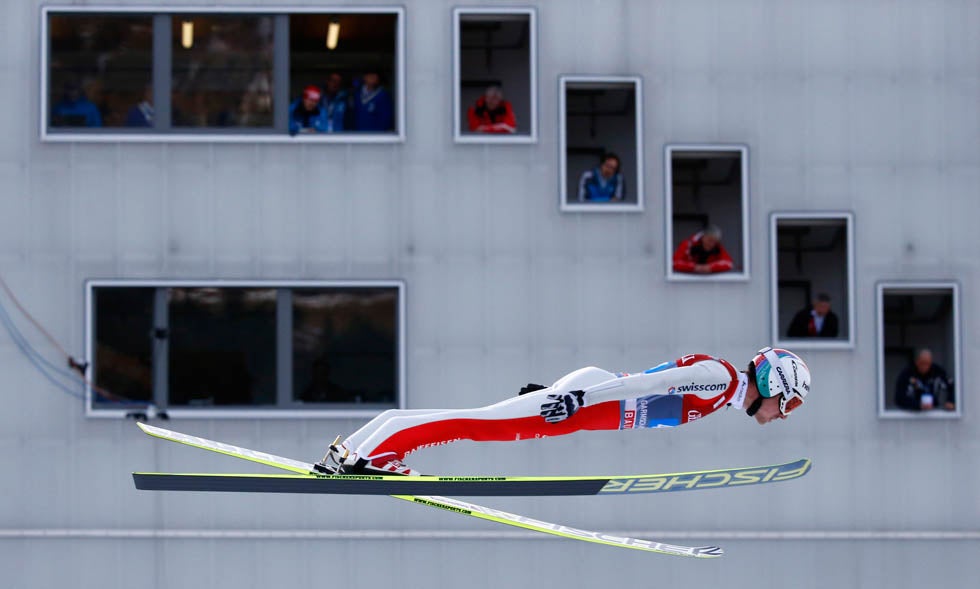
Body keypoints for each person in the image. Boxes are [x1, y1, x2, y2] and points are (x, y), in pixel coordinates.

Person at [314, 347, 811, 476]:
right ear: (773, 383)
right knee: (480, 424)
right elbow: (653, 381)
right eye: (787, 402)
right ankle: (372, 456)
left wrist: (571, 394)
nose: (783, 414)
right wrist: (578, 397)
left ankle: (356, 449)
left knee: (481, 420)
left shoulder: (723, 392)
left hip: (587, 402)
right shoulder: (722, 377)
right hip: (588, 402)